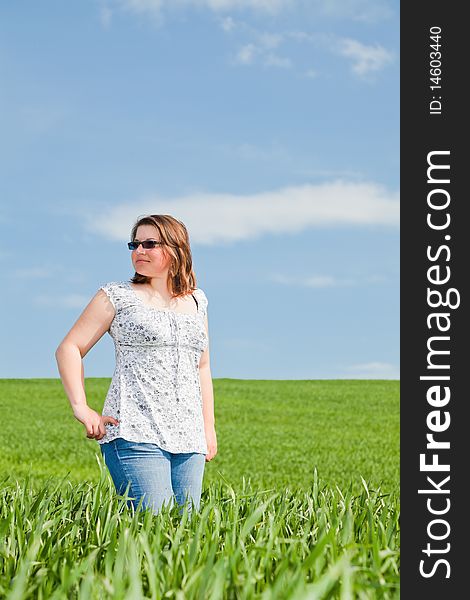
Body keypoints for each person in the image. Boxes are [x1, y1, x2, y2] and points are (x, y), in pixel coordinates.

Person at [55, 214, 217, 517]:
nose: (139, 250)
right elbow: (69, 348)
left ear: (177, 249)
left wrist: (208, 428)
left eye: (149, 244)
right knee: (153, 526)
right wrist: (80, 406)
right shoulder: (116, 295)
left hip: (189, 438)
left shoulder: (198, 301)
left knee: (187, 536)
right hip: (134, 431)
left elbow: (202, 367)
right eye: (135, 244)